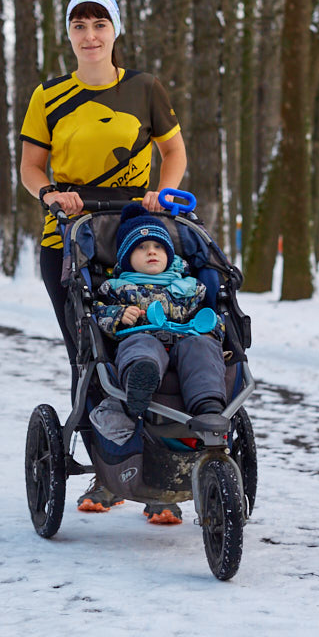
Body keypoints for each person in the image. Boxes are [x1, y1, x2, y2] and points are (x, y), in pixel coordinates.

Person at [18, 0, 188, 517]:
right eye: (79, 25)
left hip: (136, 232)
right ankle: (109, 475)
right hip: (68, 238)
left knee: (154, 336)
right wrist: (49, 193)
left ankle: (164, 473)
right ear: (68, 33)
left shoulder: (145, 88)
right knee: (90, 353)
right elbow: (30, 166)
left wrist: (163, 191)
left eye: (99, 24)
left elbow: (174, 150)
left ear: (115, 29)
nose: (89, 35)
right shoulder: (48, 95)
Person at [85, 204, 228, 525]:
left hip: (187, 337)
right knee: (140, 347)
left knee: (202, 347)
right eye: (141, 247)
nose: (151, 252)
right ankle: (140, 378)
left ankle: (207, 404)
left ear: (169, 255)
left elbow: (211, 318)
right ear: (125, 258)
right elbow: (98, 315)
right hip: (141, 336)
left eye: (158, 247)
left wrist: (211, 327)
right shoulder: (117, 288)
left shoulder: (190, 287)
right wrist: (120, 316)